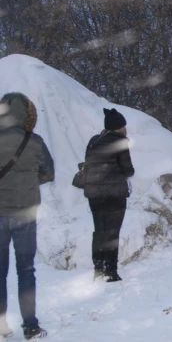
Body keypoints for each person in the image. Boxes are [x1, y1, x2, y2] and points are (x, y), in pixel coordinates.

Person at [0, 93, 54, 340]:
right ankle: (30, 326)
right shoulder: (35, 142)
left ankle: (1, 323)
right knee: (26, 269)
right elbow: (48, 174)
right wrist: (29, 182)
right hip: (25, 213)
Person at [83, 108, 134, 282]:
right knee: (112, 232)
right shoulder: (121, 142)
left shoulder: (94, 141)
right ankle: (111, 271)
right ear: (119, 127)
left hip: (94, 193)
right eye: (124, 126)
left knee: (99, 231)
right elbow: (128, 170)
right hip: (114, 194)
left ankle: (98, 268)